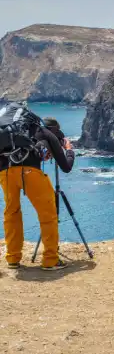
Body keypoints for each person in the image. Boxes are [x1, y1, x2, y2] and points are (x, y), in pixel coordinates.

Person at [0, 115, 75, 271]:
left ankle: (13, 258)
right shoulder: (46, 133)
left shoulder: (16, 133)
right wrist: (69, 150)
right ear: (54, 130)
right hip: (29, 174)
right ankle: (50, 260)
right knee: (48, 214)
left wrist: (40, 157)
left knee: (11, 213)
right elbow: (66, 167)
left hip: (5, 173)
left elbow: (21, 158)